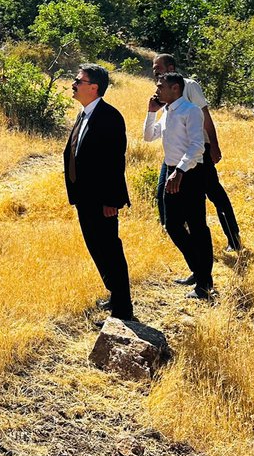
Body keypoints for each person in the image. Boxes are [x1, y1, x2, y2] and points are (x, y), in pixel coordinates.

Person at [152, 53, 243, 260]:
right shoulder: (162, 89)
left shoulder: (188, 85)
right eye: (153, 67)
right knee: (163, 194)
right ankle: (188, 245)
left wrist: (213, 145)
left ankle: (232, 238)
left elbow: (205, 115)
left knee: (213, 193)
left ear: (170, 67)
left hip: (197, 152)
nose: (155, 71)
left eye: (158, 67)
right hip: (176, 156)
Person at [64, 64, 134, 320]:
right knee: (96, 248)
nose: (73, 84)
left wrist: (111, 200)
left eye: (78, 80)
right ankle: (116, 295)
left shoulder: (109, 117)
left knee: (110, 250)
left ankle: (123, 309)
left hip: (102, 200)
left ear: (93, 88)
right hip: (85, 198)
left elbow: (115, 162)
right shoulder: (85, 114)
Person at [143, 72, 215, 300]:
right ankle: (199, 271)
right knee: (172, 225)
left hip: (190, 174)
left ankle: (203, 283)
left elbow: (197, 146)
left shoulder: (190, 111)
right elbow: (148, 136)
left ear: (175, 89)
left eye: (160, 86)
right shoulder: (167, 112)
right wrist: (151, 112)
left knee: (197, 226)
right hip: (174, 171)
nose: (157, 89)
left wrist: (180, 171)